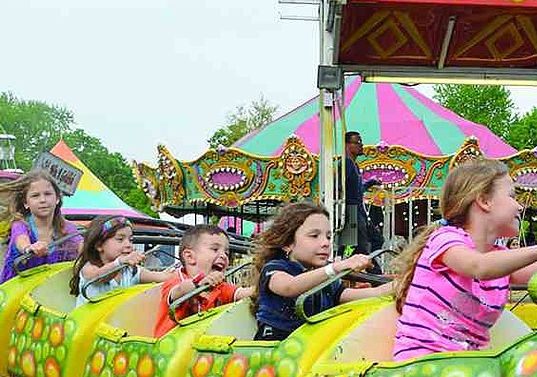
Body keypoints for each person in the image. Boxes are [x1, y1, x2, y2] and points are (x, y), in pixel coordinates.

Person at [392, 159, 537, 361]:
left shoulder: (499, 259)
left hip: (464, 364)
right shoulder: (445, 239)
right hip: (422, 360)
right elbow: (478, 266)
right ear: (484, 200)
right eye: (511, 196)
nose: (519, 206)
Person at [250, 202, 393, 340]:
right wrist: (335, 268)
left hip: (315, 348)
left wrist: (402, 285)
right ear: (287, 243)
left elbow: (372, 294)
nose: (325, 243)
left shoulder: (328, 281)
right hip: (279, 349)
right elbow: (289, 287)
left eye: (328, 237)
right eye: (314, 236)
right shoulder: (275, 268)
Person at [0, 170, 83, 283]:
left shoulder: (66, 228)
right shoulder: (21, 224)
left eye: (48, 194)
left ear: (57, 198)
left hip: (48, 289)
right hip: (16, 289)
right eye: (35, 196)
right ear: (26, 203)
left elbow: (80, 244)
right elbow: (21, 240)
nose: (43, 200)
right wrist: (29, 248)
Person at [154, 224, 255, 337]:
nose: (223, 256)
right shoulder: (176, 280)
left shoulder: (220, 287)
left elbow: (244, 293)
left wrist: (266, 283)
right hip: (170, 349)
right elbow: (179, 291)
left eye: (226, 252)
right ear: (190, 257)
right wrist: (199, 284)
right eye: (215, 249)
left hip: (202, 347)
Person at [70, 216, 175, 306]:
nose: (128, 244)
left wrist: (182, 271)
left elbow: (162, 277)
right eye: (120, 239)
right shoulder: (89, 268)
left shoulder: (131, 271)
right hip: (90, 325)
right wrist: (120, 262)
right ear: (99, 245)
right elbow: (100, 276)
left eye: (131, 240)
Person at [341, 131, 379, 254]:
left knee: (376, 239)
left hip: (358, 210)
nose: (361, 145)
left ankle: (370, 266)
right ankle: (370, 268)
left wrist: (370, 183)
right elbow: (340, 187)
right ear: (347, 145)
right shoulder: (346, 163)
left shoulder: (354, 165)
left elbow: (356, 190)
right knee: (358, 245)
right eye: (357, 142)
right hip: (351, 210)